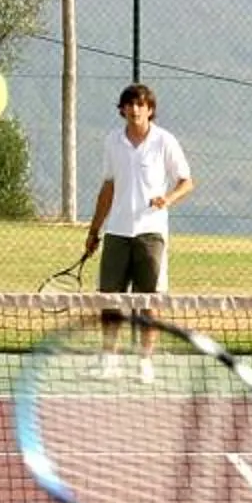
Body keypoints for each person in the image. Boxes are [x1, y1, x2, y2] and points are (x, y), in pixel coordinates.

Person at [84, 83, 194, 378]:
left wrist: (167, 199)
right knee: (110, 299)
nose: (134, 110)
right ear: (122, 110)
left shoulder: (164, 141)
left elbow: (186, 181)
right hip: (117, 232)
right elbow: (107, 187)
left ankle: (145, 361)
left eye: (140, 105)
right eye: (129, 105)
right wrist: (94, 230)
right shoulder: (112, 142)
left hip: (151, 233)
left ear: (150, 110)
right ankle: (109, 358)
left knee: (148, 301)